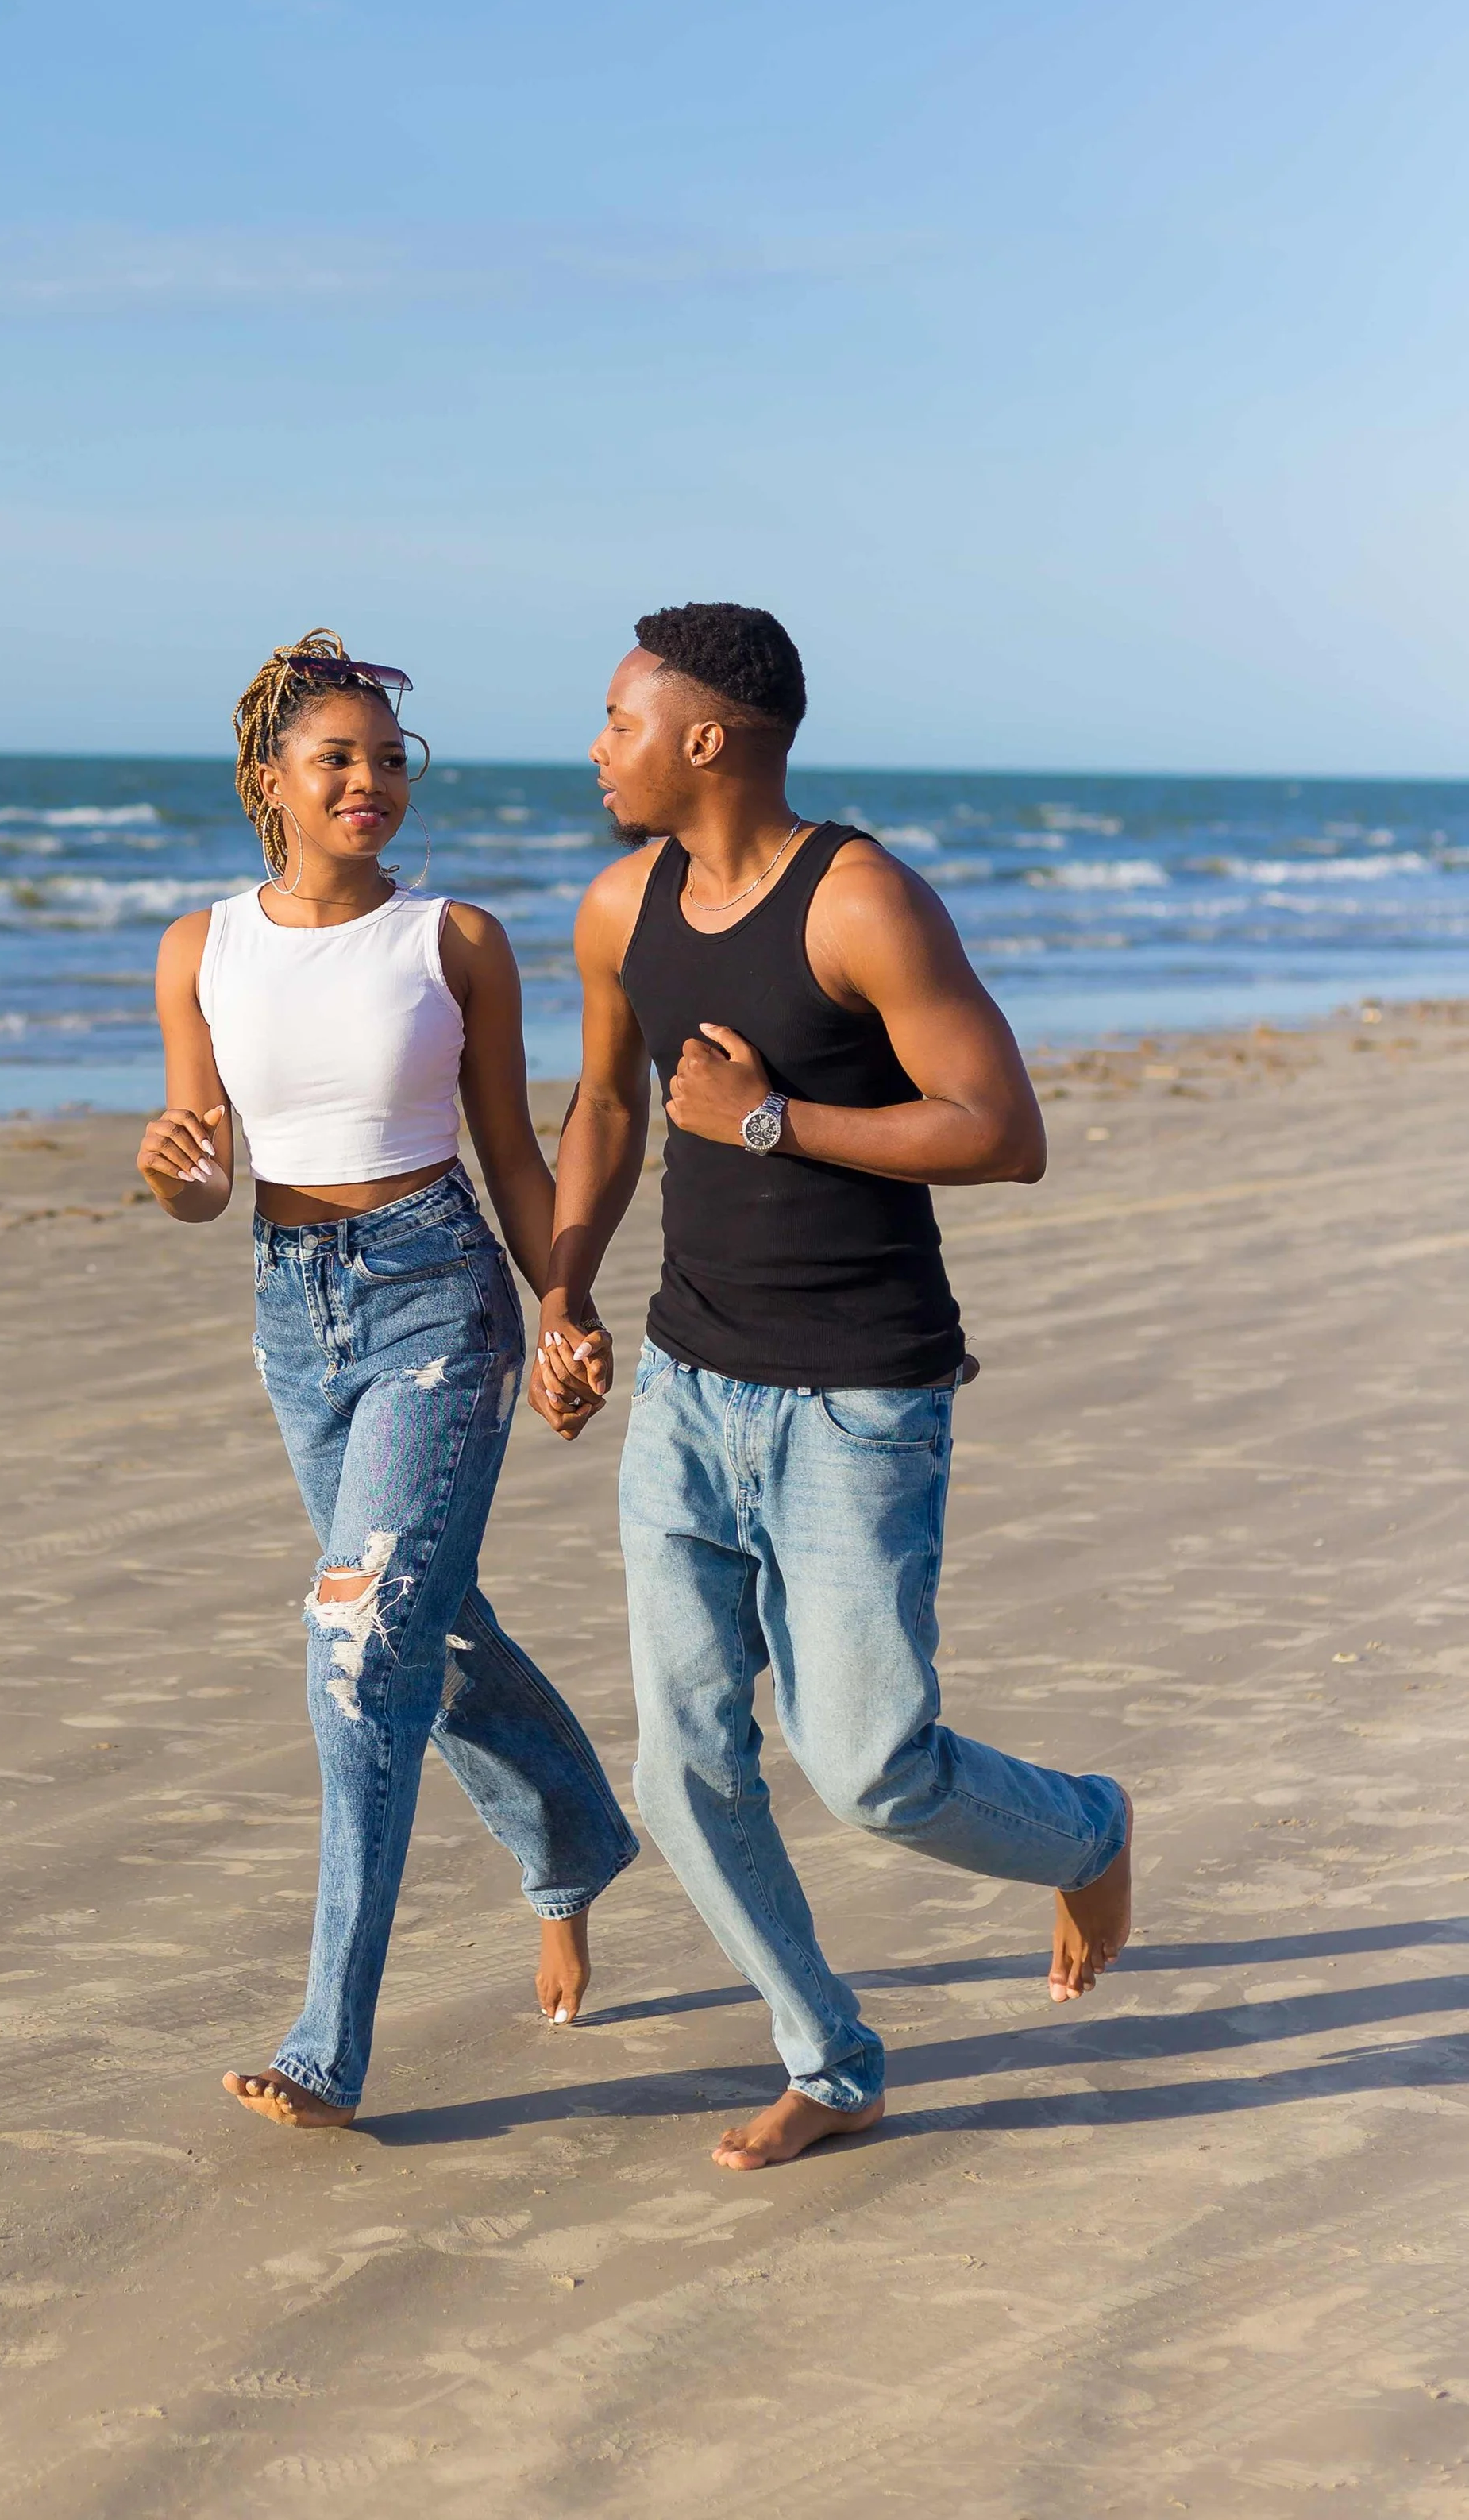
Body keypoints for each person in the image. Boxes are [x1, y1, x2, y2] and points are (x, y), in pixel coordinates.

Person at [530, 601, 1132, 2171]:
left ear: (704, 738)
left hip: (858, 1404)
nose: (595, 748)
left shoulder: (860, 903)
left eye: (617, 721)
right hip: (682, 1386)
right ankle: (828, 2057)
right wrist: (562, 1287)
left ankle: (1084, 1831)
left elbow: (1001, 1131)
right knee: (680, 1767)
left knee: (868, 1770)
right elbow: (598, 1103)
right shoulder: (615, 907)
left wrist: (770, 1124)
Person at [140, 631, 637, 2132]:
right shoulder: (199, 948)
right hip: (294, 1312)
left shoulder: (454, 939)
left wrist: (564, 1301)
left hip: (440, 1293)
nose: (370, 781)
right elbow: (204, 1181)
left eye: (389, 758)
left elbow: (513, 1151)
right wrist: (169, 1168)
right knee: (430, 1623)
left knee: (355, 1640)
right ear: (270, 780)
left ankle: (327, 2040)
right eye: (337, 758)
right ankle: (572, 1850)